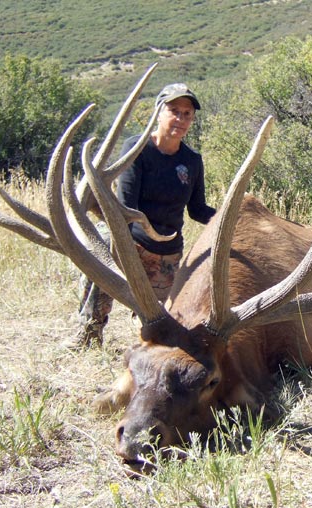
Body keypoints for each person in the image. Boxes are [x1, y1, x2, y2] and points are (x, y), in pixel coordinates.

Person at [66, 83, 216, 348]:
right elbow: (124, 206)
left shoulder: (192, 160)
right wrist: (128, 244)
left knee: (165, 329)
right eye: (174, 111)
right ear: (159, 112)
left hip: (168, 253)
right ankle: (89, 331)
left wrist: (231, 217)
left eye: (187, 113)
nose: (181, 118)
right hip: (130, 244)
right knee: (99, 249)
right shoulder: (136, 148)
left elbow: (198, 211)